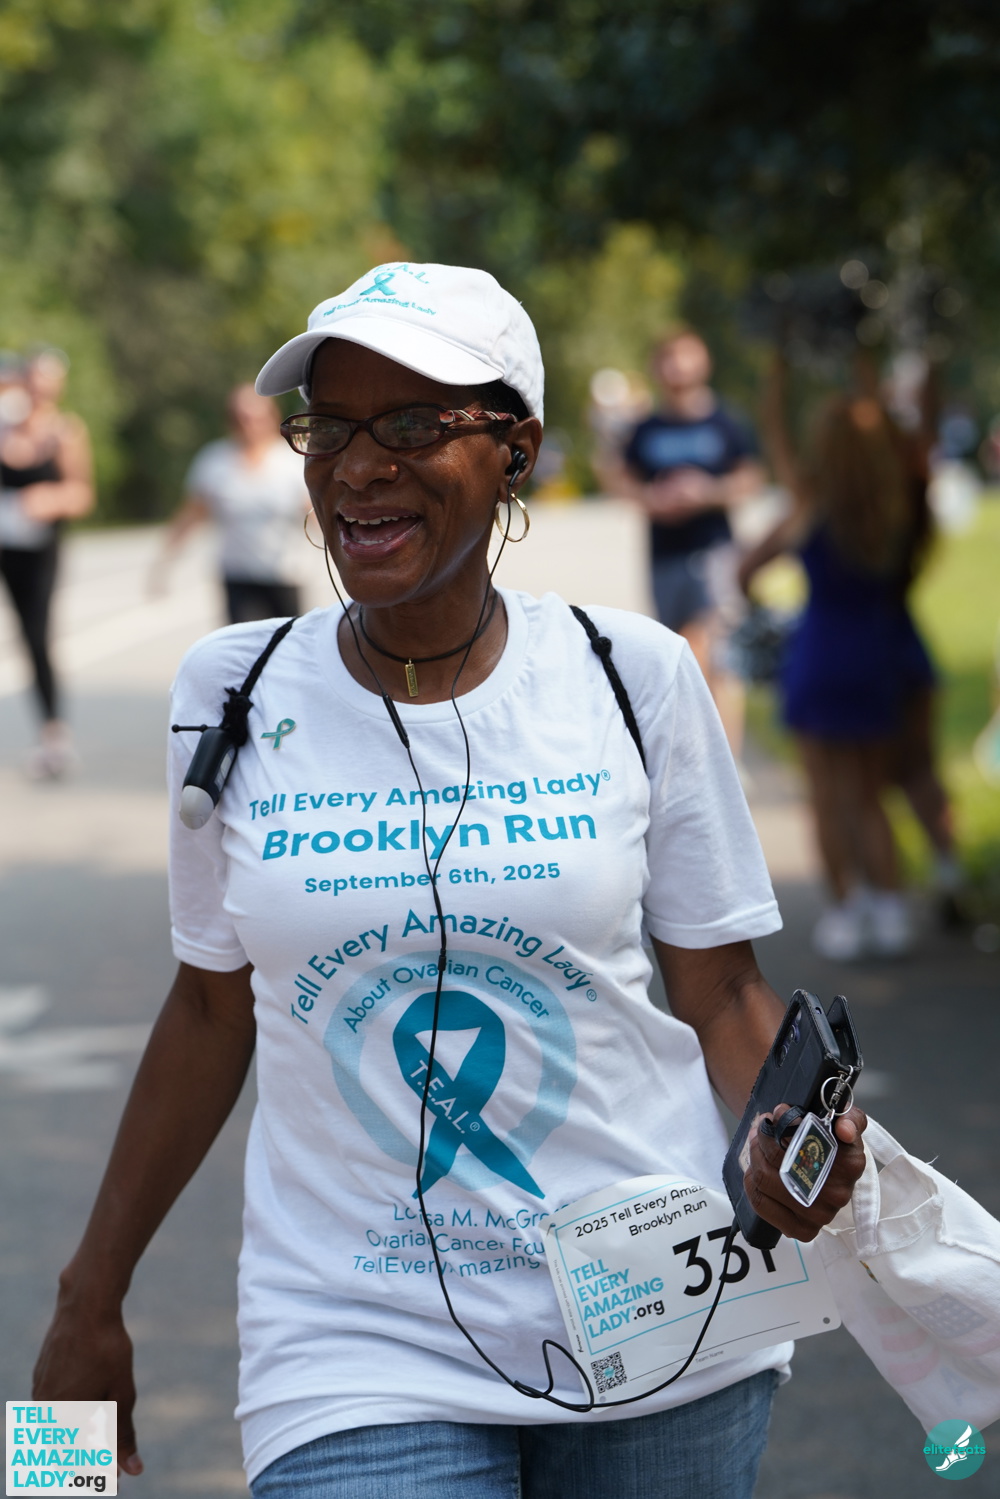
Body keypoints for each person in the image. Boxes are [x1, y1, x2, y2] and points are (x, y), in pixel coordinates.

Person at [33, 264, 866, 1499]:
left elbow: (721, 989)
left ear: (515, 450)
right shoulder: (230, 691)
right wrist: (86, 1295)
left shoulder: (631, 675)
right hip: (351, 1339)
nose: (357, 467)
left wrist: (793, 1148)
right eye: (330, 427)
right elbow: (209, 1005)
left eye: (414, 423)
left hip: (655, 1314)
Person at [739, 352, 954, 961]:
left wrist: (776, 379)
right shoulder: (891, 505)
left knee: (827, 797)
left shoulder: (809, 501)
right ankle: (891, 908)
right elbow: (909, 436)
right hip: (877, 657)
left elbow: (747, 569)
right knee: (867, 792)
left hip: (819, 656)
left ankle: (846, 910)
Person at [603, 330, 762, 758]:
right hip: (664, 556)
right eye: (669, 358)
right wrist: (650, 499)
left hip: (714, 551)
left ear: (703, 363)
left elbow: (751, 478)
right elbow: (619, 478)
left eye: (686, 357)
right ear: (657, 367)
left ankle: (727, 760)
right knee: (679, 657)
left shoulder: (724, 421)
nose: (678, 367)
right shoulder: (646, 428)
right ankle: (695, 759)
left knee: (714, 652)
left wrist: (707, 493)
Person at [0, 347, 94, 777]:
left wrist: (49, 499)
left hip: (38, 551)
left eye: (47, 381)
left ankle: (54, 737)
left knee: (35, 637)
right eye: (33, 379)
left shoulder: (65, 432)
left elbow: (82, 494)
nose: (38, 389)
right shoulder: (5, 426)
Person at [154, 383, 310, 623]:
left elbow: (314, 513)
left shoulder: (290, 461)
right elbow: (191, 515)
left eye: (255, 419)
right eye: (240, 419)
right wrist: (164, 563)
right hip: (238, 576)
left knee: (289, 640)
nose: (249, 426)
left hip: (285, 573)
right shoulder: (215, 461)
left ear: (271, 418)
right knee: (243, 642)